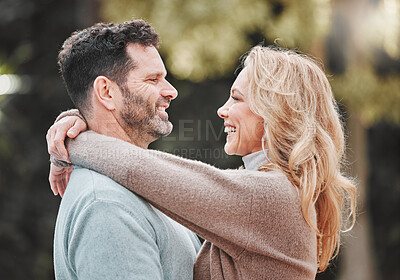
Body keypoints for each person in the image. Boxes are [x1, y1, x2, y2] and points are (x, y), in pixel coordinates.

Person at [48, 46, 357, 279]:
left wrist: (73, 139)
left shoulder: (270, 197)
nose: (222, 110)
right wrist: (84, 119)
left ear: (275, 113)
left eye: (237, 99)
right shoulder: (272, 192)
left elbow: (141, 170)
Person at [49, 19, 202, 280]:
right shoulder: (107, 206)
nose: (171, 91)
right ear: (106, 92)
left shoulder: (139, 186)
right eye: (153, 79)